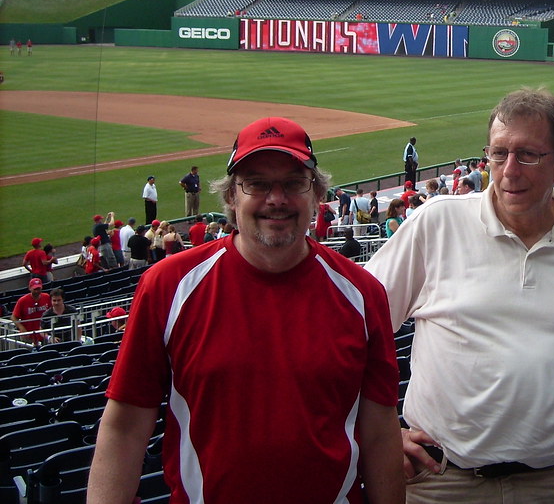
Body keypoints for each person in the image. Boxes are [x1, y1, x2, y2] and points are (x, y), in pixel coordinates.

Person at [367, 88, 554, 504]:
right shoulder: (436, 223)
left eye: (528, 155)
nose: (509, 170)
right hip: (441, 480)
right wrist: (380, 431)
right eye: (498, 153)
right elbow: (357, 322)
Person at [87, 116, 404, 504]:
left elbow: (379, 430)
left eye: (293, 182)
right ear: (232, 197)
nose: (276, 198)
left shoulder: (363, 293)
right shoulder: (168, 286)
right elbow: (125, 426)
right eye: (256, 183)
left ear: (316, 193)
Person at [12, 279, 51, 346]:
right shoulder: (23, 300)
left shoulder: (46, 297)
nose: (37, 291)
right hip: (28, 335)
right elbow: (14, 317)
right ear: (30, 288)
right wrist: (22, 328)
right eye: (35, 289)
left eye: (38, 289)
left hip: (43, 333)